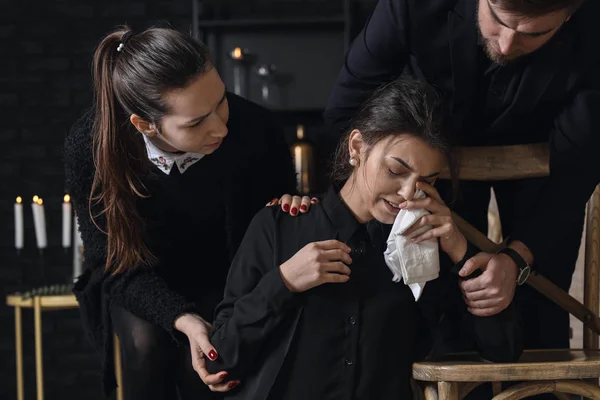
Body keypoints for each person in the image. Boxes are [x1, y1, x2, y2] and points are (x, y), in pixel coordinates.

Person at [205, 77, 522, 400]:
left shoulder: (423, 252)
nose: (407, 193)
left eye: (427, 181)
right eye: (396, 171)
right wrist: (284, 282)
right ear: (357, 148)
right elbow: (220, 358)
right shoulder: (279, 226)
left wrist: (459, 249)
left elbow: (502, 352)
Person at [324, 0, 600, 355]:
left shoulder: (594, 27)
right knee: (439, 310)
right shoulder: (410, 7)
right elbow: (344, 112)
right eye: (498, 21)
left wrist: (516, 259)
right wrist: (401, 179)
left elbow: (578, 170)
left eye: (534, 33)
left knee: (539, 316)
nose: (505, 45)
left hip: (547, 158)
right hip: (429, 159)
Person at [64, 26, 309, 399]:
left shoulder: (256, 128)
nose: (221, 127)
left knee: (209, 365)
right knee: (146, 348)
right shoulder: (91, 147)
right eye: (196, 122)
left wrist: (290, 213)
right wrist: (181, 317)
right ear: (144, 125)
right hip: (140, 278)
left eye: (222, 101)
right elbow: (111, 265)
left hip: (228, 278)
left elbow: (270, 239)